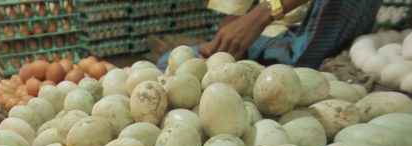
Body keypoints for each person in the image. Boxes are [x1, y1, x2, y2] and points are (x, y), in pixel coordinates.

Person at [157, 0, 382, 70]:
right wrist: (222, 47)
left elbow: (257, 17)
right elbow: (235, 6)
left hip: (314, 32)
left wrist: (263, 14)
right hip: (265, 35)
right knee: (166, 63)